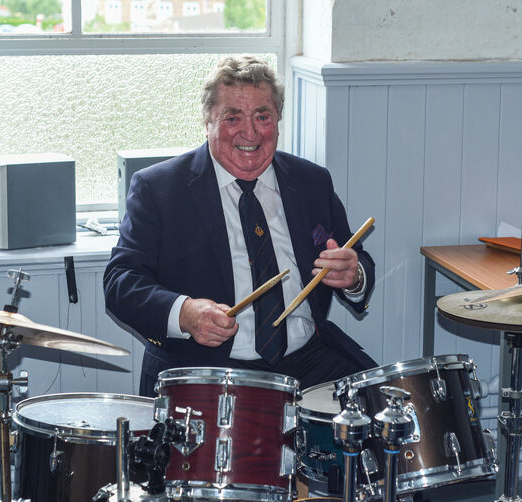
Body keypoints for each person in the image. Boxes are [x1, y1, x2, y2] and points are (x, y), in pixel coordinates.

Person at [104, 55, 376, 397]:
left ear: (277, 119)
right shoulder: (159, 189)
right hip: (208, 370)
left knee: (386, 423)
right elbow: (120, 283)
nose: (250, 132)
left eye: (262, 116)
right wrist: (185, 313)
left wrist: (353, 276)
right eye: (232, 117)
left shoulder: (311, 182)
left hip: (308, 359)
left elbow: (356, 258)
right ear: (208, 122)